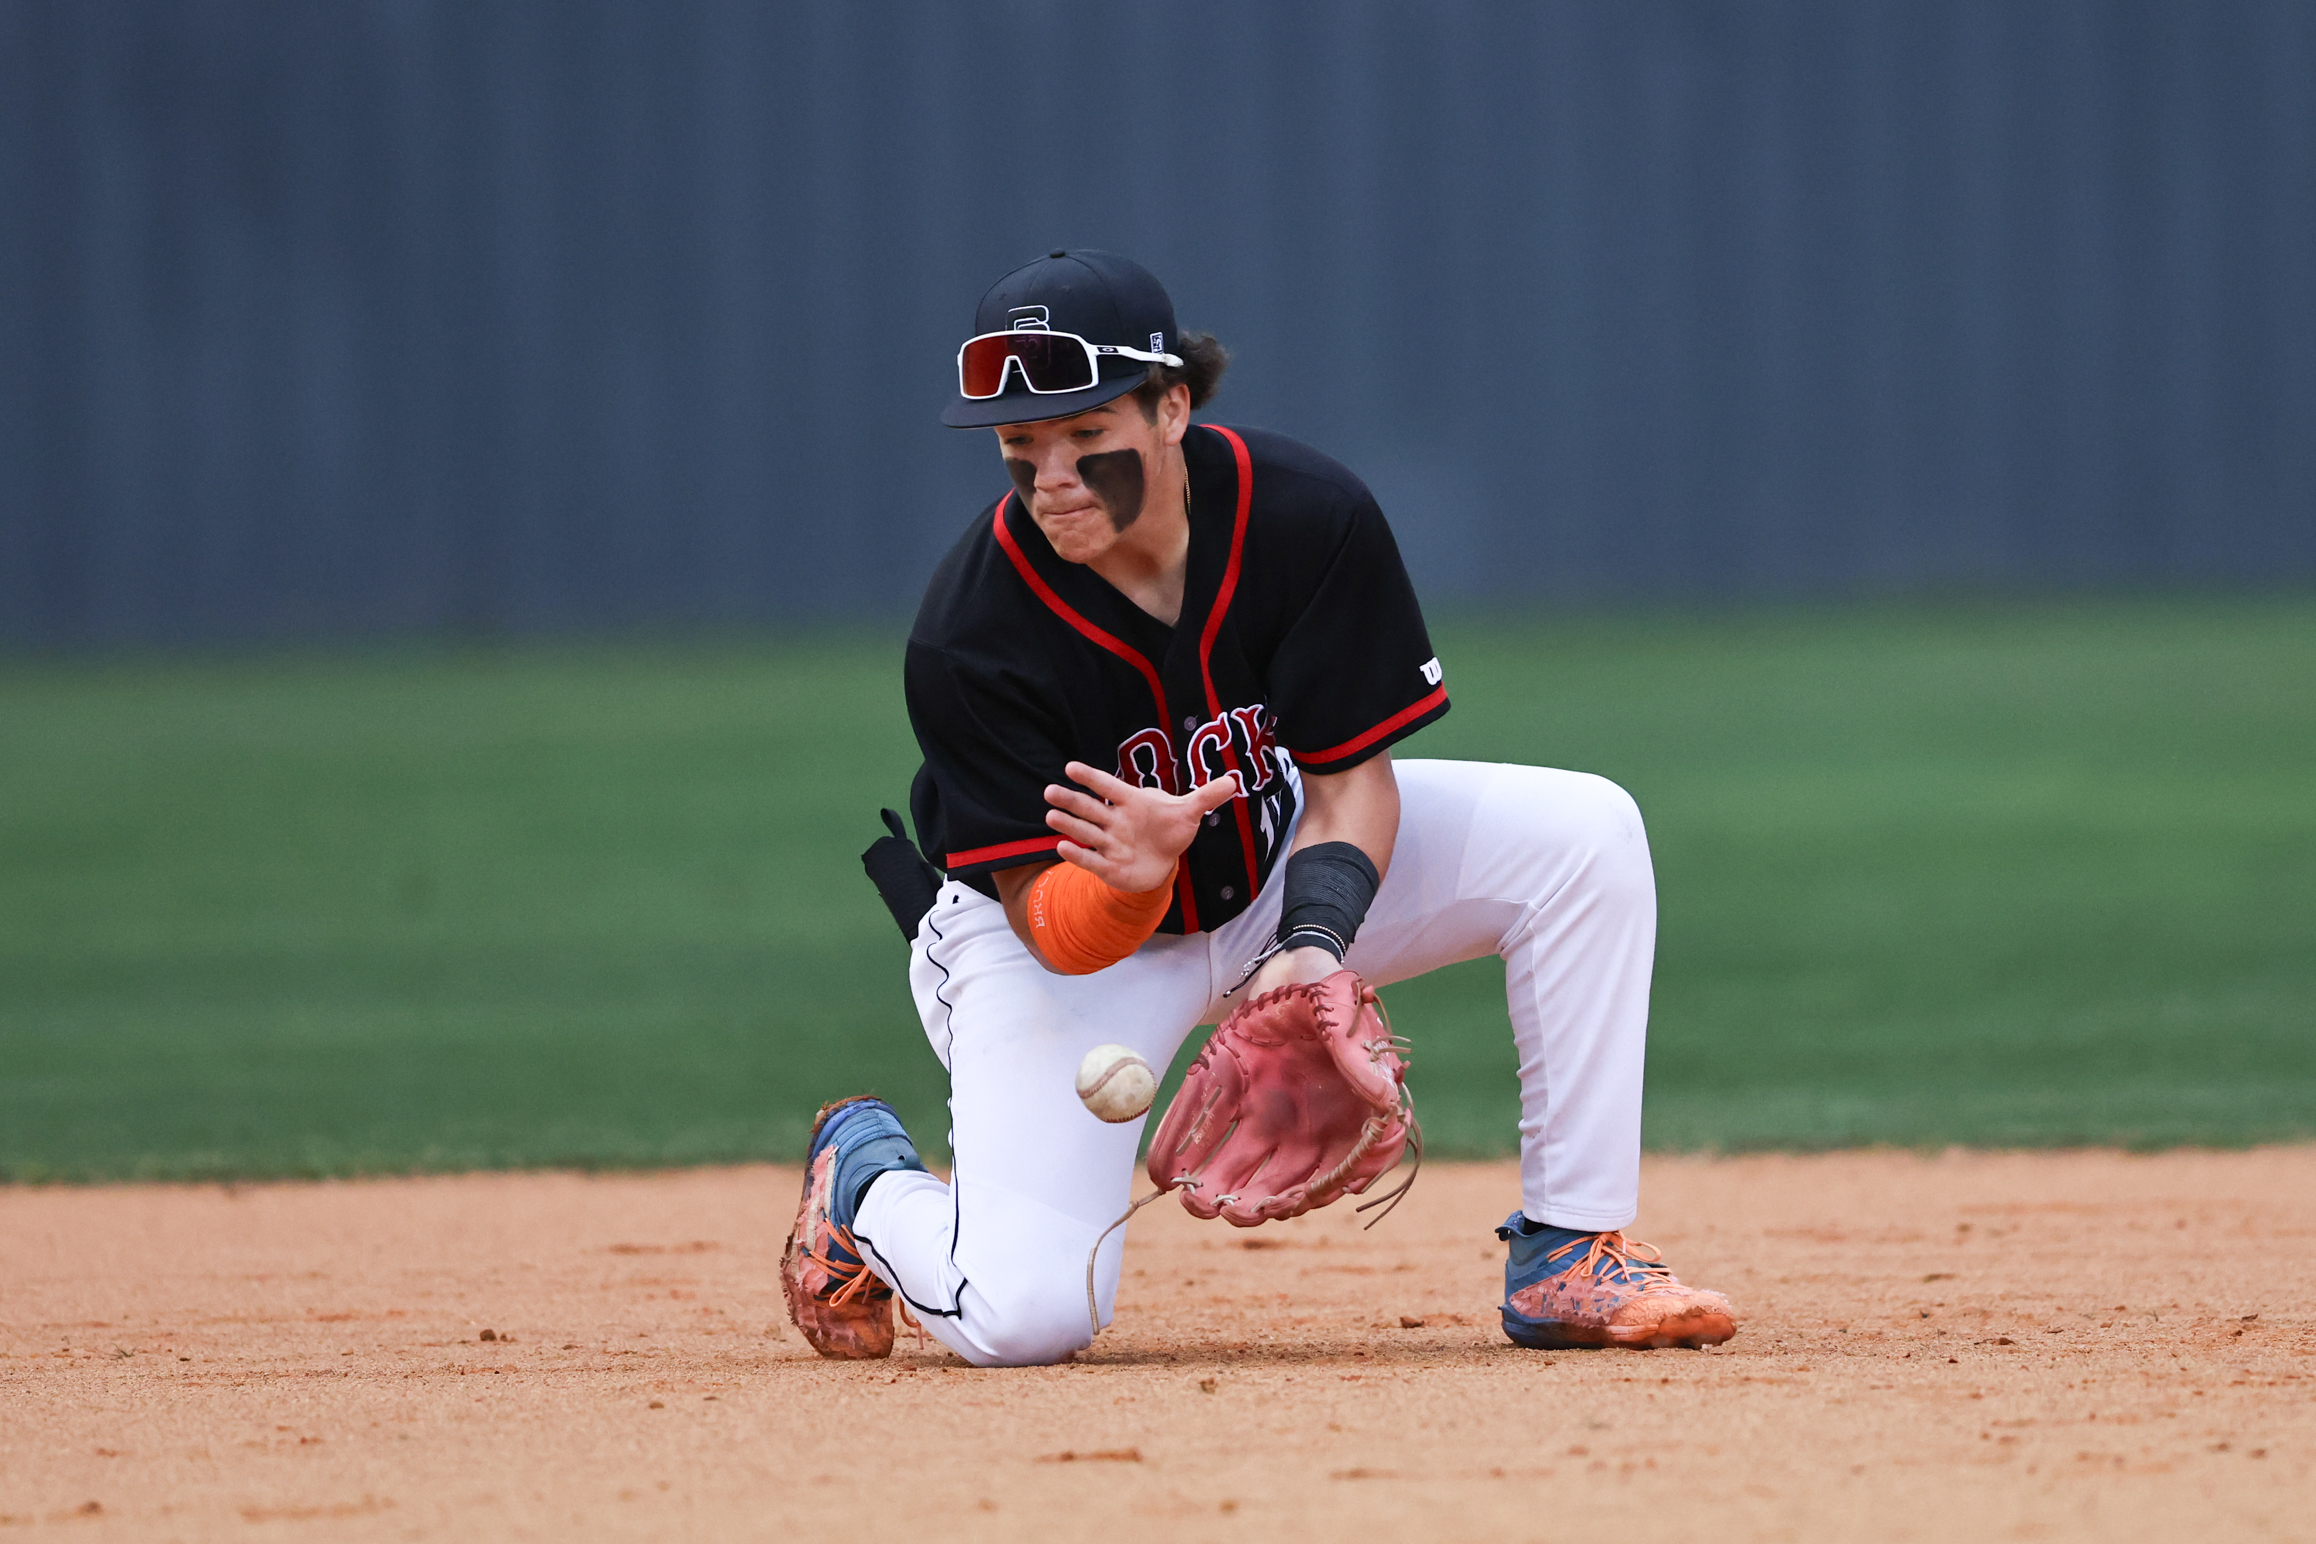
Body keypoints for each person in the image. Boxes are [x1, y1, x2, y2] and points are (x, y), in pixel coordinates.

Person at [781, 250, 1736, 1367]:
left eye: (1086, 433)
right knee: (1023, 1317)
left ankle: (1570, 1247)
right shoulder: (970, 633)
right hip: (1058, 946)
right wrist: (1129, 886)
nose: (1052, 475)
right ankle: (865, 1178)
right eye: (1021, 444)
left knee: (1586, 837)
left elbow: (1349, 781)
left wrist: (1313, 945)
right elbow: (1044, 917)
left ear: (1172, 404)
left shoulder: (1304, 517)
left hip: (1273, 866)